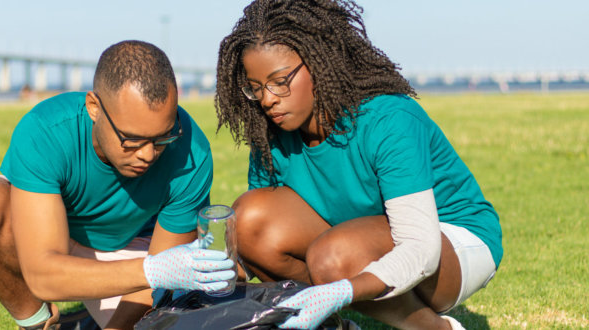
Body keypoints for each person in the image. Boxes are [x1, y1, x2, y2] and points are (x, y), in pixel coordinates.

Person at [212, 1, 504, 329]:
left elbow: (421, 250)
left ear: (319, 62)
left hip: (450, 243)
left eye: (280, 81)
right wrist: (212, 273)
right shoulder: (273, 132)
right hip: (350, 239)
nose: (267, 99)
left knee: (334, 258)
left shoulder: (388, 118)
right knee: (250, 220)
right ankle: (332, 324)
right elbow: (263, 240)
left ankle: (434, 327)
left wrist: (343, 290)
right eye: (255, 88)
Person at [0, 40, 232, 330]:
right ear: (94, 107)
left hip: (136, 252)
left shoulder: (191, 150)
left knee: (164, 324)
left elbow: (160, 279)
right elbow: (44, 275)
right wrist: (152, 271)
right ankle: (38, 324)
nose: (148, 154)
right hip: (54, 242)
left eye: (162, 138)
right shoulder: (47, 130)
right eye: (132, 139)